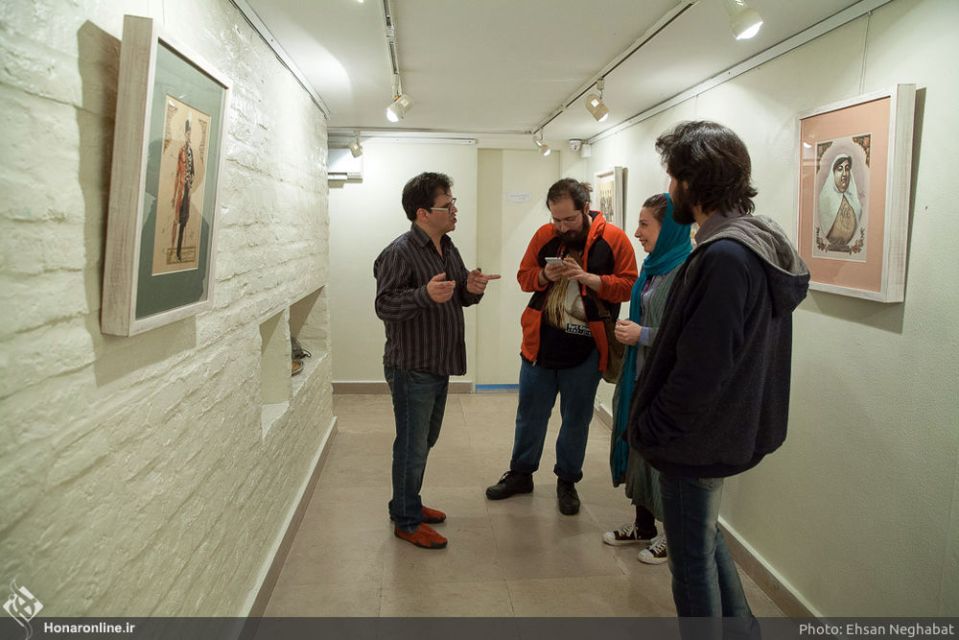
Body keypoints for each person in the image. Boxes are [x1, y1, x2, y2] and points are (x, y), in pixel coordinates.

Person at [629, 121, 809, 617]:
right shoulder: (750, 241)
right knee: (704, 539)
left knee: (691, 563)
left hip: (696, 439)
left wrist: (655, 429)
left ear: (692, 182)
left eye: (673, 177)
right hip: (718, 431)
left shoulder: (726, 255)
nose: (669, 188)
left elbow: (702, 367)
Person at [485, 178, 637, 515]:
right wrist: (544, 276)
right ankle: (521, 473)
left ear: (586, 209)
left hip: (587, 350)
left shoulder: (614, 239)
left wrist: (588, 278)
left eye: (569, 219)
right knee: (530, 416)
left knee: (576, 420)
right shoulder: (544, 235)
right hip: (539, 346)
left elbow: (628, 286)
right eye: (556, 219)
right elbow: (524, 277)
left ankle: (567, 481)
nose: (562, 226)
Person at [374, 172, 500, 549]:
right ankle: (406, 521)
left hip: (437, 361)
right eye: (447, 205)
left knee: (424, 440)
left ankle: (407, 502)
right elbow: (385, 305)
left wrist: (471, 288)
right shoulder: (398, 252)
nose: (455, 209)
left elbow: (457, 293)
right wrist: (424, 295)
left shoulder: (446, 246)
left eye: (453, 202)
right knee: (412, 445)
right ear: (423, 213)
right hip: (411, 365)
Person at [603, 193, 691, 566]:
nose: (637, 232)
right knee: (639, 452)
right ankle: (643, 525)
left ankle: (673, 535)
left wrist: (643, 335)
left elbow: (689, 335)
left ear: (668, 228)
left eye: (644, 224)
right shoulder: (654, 265)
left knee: (664, 460)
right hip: (639, 377)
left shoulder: (687, 271)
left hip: (666, 384)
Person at [817, 153, 862, 250]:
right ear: (833, 173)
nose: (844, 174)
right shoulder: (825, 199)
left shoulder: (854, 202)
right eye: (840, 169)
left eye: (847, 169)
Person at [171, 118, 195, 262]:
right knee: (177, 219)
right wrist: (174, 195)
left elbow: (192, 173)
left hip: (187, 191)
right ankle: (173, 249)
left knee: (184, 220)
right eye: (188, 134)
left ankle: (179, 252)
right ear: (185, 134)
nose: (189, 136)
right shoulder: (181, 151)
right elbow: (177, 173)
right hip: (180, 190)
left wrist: (190, 186)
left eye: (190, 134)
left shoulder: (191, 151)